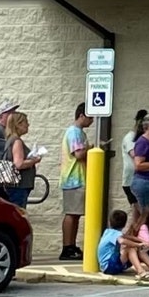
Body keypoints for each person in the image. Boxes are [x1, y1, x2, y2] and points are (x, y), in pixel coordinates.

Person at [60, 102, 94, 261]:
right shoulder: (74, 132)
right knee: (72, 214)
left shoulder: (78, 132)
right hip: (74, 178)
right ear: (81, 115)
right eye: (90, 116)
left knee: (76, 214)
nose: (92, 120)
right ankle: (67, 247)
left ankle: (71, 245)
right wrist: (92, 148)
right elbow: (79, 154)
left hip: (78, 178)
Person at [3, 112, 42, 208]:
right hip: (19, 186)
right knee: (18, 212)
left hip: (13, 185)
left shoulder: (10, 139)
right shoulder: (17, 141)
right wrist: (35, 160)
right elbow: (18, 164)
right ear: (18, 124)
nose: (28, 125)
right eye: (26, 122)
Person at [122, 110, 148, 206]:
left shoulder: (141, 139)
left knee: (138, 213)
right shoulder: (130, 138)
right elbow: (135, 155)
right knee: (143, 211)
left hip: (140, 180)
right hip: (131, 181)